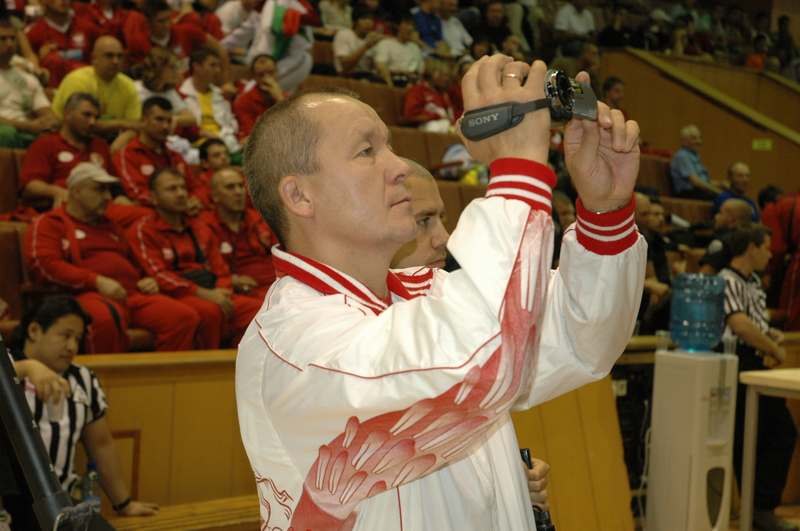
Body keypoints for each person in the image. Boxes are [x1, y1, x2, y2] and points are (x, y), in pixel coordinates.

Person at [237, 54, 645, 529]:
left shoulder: (424, 293)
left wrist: (604, 214)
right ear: (299, 196)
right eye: (367, 152)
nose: (398, 169)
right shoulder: (295, 343)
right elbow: (479, 358)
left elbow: (580, 340)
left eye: (389, 147)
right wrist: (516, 170)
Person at [389, 157, 552, 508]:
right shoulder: (355, 332)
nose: (443, 240)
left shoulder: (454, 299)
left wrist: (512, 479)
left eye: (442, 219)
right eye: (423, 221)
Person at [1, 296, 159, 530]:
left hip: (61, 500)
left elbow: (102, 445)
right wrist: (27, 368)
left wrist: (123, 503)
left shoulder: (83, 379)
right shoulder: (8, 366)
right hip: (11, 501)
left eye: (78, 338)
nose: (72, 347)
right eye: (65, 335)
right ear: (34, 330)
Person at [24, 162, 202, 353]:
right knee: (105, 317)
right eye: (99, 189)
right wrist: (96, 281)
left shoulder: (111, 225)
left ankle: (167, 381)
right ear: (75, 191)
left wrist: (146, 279)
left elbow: (135, 261)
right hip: (82, 294)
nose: (108, 197)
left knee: (182, 317)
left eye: (108, 190)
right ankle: (102, 382)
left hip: (130, 294)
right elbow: (44, 265)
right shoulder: (51, 222)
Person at [719, 226, 798, 531]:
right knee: (769, 433)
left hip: (752, 362)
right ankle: (760, 509)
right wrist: (773, 347)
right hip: (735, 363)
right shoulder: (727, 280)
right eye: (765, 247)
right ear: (750, 248)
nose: (770, 254)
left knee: (771, 434)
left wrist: (769, 334)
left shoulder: (753, 282)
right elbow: (739, 325)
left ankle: (760, 507)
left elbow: (755, 324)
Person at [127, 167, 261, 348]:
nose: (181, 194)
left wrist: (223, 290)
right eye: (172, 189)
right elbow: (159, 274)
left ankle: (238, 368)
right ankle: (203, 372)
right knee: (209, 312)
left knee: (257, 311)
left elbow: (219, 268)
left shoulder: (200, 227)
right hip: (176, 294)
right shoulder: (143, 229)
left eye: (183, 188)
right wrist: (205, 294)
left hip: (210, 289)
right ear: (154, 197)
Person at [20, 92, 113, 208]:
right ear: (67, 114)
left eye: (96, 117)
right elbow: (30, 186)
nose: (92, 122)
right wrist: (56, 192)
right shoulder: (45, 143)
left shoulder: (101, 146)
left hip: (100, 209)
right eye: (86, 115)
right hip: (60, 207)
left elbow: (113, 185)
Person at [197, 167, 277, 299]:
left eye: (241, 186)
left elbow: (284, 252)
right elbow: (208, 268)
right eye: (230, 187)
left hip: (278, 282)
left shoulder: (260, 218)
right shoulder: (204, 226)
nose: (239, 192)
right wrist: (232, 280)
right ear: (214, 196)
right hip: (241, 290)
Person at [113, 96, 196, 206]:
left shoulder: (175, 156)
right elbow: (137, 194)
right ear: (143, 120)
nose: (166, 126)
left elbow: (196, 187)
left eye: (169, 121)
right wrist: (180, 203)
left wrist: (195, 201)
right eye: (159, 119)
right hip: (152, 215)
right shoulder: (127, 155)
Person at [51, 36, 141, 137]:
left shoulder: (128, 85)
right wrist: (120, 123)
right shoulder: (78, 80)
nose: (115, 61)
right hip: (70, 139)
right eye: (109, 56)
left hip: (110, 141)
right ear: (94, 58)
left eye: (120, 56)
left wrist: (123, 139)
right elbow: (80, 124)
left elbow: (135, 125)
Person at [0, 15, 58, 148]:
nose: (9, 44)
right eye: (2, 39)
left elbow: (46, 112)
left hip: (27, 131)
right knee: (6, 134)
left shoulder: (27, 78)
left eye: (12, 39)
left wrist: (50, 122)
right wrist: (27, 126)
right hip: (8, 132)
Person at [179, 48, 241, 156]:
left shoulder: (220, 95)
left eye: (218, 66)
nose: (217, 70)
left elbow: (231, 124)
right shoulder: (180, 94)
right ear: (196, 67)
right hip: (196, 146)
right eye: (212, 65)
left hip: (225, 143)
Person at [24, 0, 99, 86]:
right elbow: (33, 72)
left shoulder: (88, 28)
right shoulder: (33, 34)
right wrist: (41, 60)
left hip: (88, 87)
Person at [762, 193, 800, 330]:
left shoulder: (772, 209)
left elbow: (775, 248)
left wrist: (768, 272)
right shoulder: (792, 204)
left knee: (791, 311)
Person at [233, 54, 284, 141]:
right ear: (253, 77)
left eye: (271, 73)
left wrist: (279, 99)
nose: (267, 79)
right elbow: (252, 135)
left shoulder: (286, 98)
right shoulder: (243, 101)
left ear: (277, 72)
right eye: (261, 75)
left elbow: (295, 127)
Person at [669, 124, 722, 200]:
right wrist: (718, 191)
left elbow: (705, 181)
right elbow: (696, 182)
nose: (699, 141)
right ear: (684, 141)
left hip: (698, 191)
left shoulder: (694, 156)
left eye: (700, 138)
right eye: (694, 138)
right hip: (688, 193)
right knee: (725, 198)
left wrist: (721, 184)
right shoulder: (682, 156)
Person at [402, 59, 455, 132]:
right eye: (443, 75)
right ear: (433, 74)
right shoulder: (417, 90)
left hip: (446, 126)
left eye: (448, 76)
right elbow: (410, 115)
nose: (447, 79)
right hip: (425, 127)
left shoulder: (443, 94)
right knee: (435, 126)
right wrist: (436, 116)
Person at [373, 16, 424, 87]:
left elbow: (420, 72)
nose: (410, 28)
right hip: (391, 81)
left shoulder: (415, 48)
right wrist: (391, 85)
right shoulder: (386, 43)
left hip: (411, 85)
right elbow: (380, 66)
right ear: (398, 26)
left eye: (412, 25)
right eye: (407, 24)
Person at [332, 8, 383, 77]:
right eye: (364, 18)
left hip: (368, 76)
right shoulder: (344, 34)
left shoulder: (372, 38)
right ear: (355, 21)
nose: (368, 22)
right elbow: (345, 66)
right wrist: (366, 46)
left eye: (371, 19)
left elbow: (376, 68)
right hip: (346, 76)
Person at [192, 137, 231, 206]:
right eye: (216, 155)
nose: (224, 158)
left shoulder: (241, 178)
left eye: (226, 153)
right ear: (205, 163)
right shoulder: (200, 186)